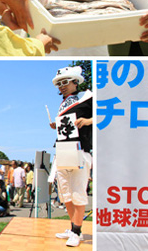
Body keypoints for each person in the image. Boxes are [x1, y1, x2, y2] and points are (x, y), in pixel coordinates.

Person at [49, 66, 93, 247]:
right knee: (65, 193)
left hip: (80, 150)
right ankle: (73, 228)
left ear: (75, 81)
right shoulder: (63, 104)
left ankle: (77, 231)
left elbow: (105, 114)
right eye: (59, 84)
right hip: (62, 150)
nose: (62, 86)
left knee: (78, 192)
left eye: (65, 82)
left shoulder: (88, 97)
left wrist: (88, 121)